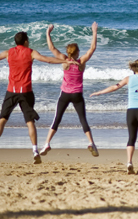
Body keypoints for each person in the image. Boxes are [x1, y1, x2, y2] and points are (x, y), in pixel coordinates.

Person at [0, 31, 68, 164]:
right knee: (30, 122)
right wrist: (66, 60)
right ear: (26, 41)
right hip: (26, 92)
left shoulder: (9, 52)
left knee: (3, 119)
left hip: (11, 91)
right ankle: (35, 151)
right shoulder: (31, 52)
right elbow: (48, 60)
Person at [41, 22, 100, 157]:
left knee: (57, 119)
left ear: (68, 52)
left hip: (65, 94)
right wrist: (94, 32)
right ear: (77, 52)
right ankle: (91, 143)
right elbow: (92, 48)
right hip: (77, 95)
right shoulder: (81, 62)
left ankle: (47, 143)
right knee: (83, 119)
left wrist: (48, 33)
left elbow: (51, 48)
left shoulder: (64, 61)